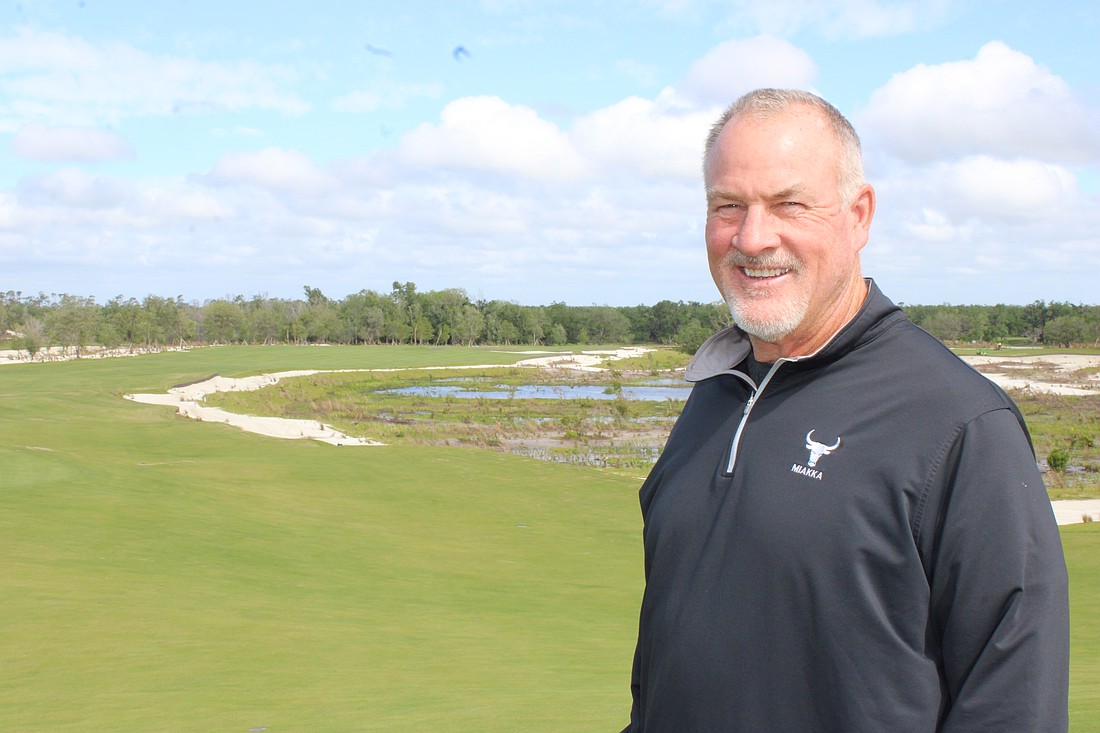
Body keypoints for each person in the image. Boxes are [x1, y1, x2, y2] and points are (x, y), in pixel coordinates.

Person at [621, 88, 1069, 732]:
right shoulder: (715, 393)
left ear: (859, 215)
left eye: (789, 204)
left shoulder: (959, 423)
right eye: (729, 206)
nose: (752, 237)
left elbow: (1011, 702)